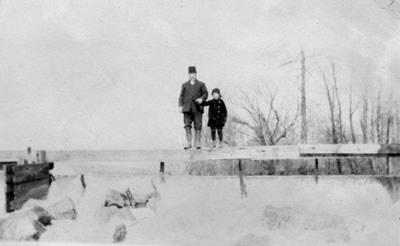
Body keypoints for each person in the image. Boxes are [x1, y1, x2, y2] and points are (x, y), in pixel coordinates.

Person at [178, 66, 208, 149]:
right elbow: (181, 96)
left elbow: (205, 93)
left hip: (197, 108)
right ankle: (188, 142)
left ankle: (198, 143)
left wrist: (201, 99)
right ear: (188, 74)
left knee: (198, 125)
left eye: (193, 73)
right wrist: (180, 106)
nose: (192, 75)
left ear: (196, 74)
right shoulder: (184, 85)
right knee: (187, 125)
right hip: (187, 108)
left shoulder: (201, 84)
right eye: (190, 74)